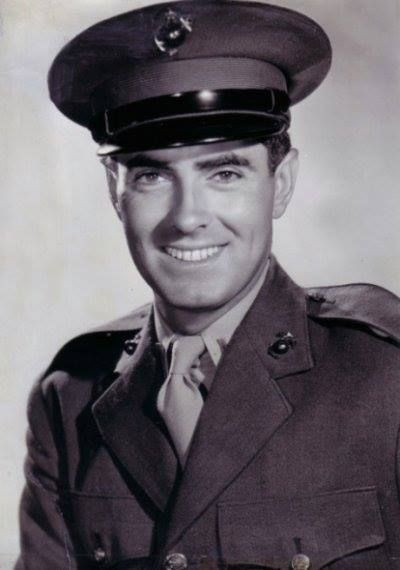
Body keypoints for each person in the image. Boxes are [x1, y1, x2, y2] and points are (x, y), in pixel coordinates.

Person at [16, 1, 400, 569]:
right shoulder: (70, 397)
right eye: (152, 175)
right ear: (114, 192)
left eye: (224, 173)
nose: (187, 217)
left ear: (281, 183)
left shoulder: (384, 375)